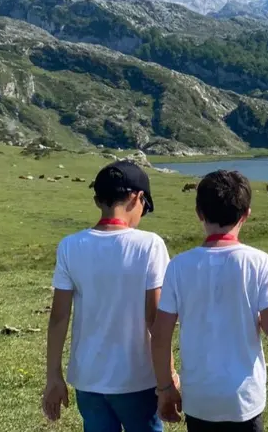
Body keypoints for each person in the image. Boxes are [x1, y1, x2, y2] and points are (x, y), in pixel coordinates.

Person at [151, 170, 268, 431]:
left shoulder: (179, 266)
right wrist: (256, 318)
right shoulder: (259, 262)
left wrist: (165, 388)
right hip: (244, 398)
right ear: (246, 214)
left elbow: (160, 335)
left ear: (199, 213)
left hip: (199, 399)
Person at [42, 161, 170, 432]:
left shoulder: (70, 246)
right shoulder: (150, 245)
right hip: (138, 379)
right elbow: (154, 319)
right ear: (138, 198)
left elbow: (58, 318)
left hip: (88, 380)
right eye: (144, 209)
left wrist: (53, 375)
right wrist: (167, 378)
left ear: (97, 199)